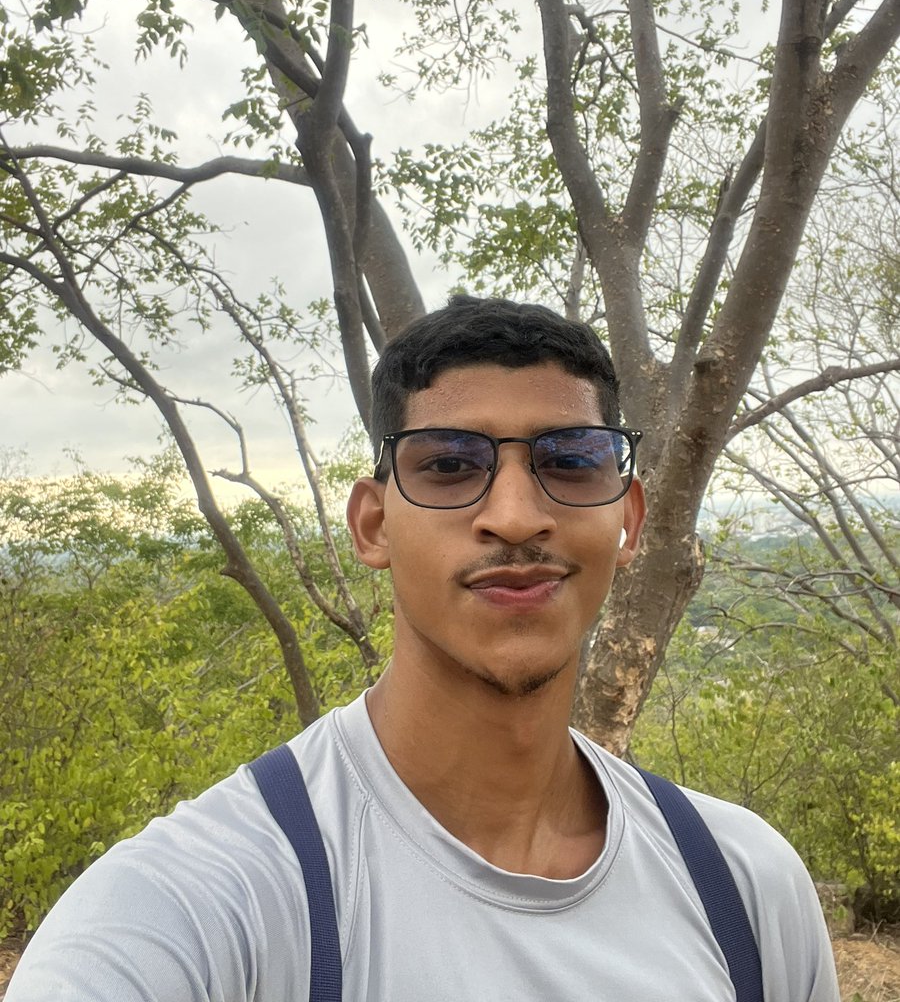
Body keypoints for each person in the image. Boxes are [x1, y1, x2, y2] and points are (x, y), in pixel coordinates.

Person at [8, 295, 838, 1001]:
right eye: (448, 465)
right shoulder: (202, 905)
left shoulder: (743, 887)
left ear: (627, 519)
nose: (516, 516)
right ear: (373, 524)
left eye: (571, 461)